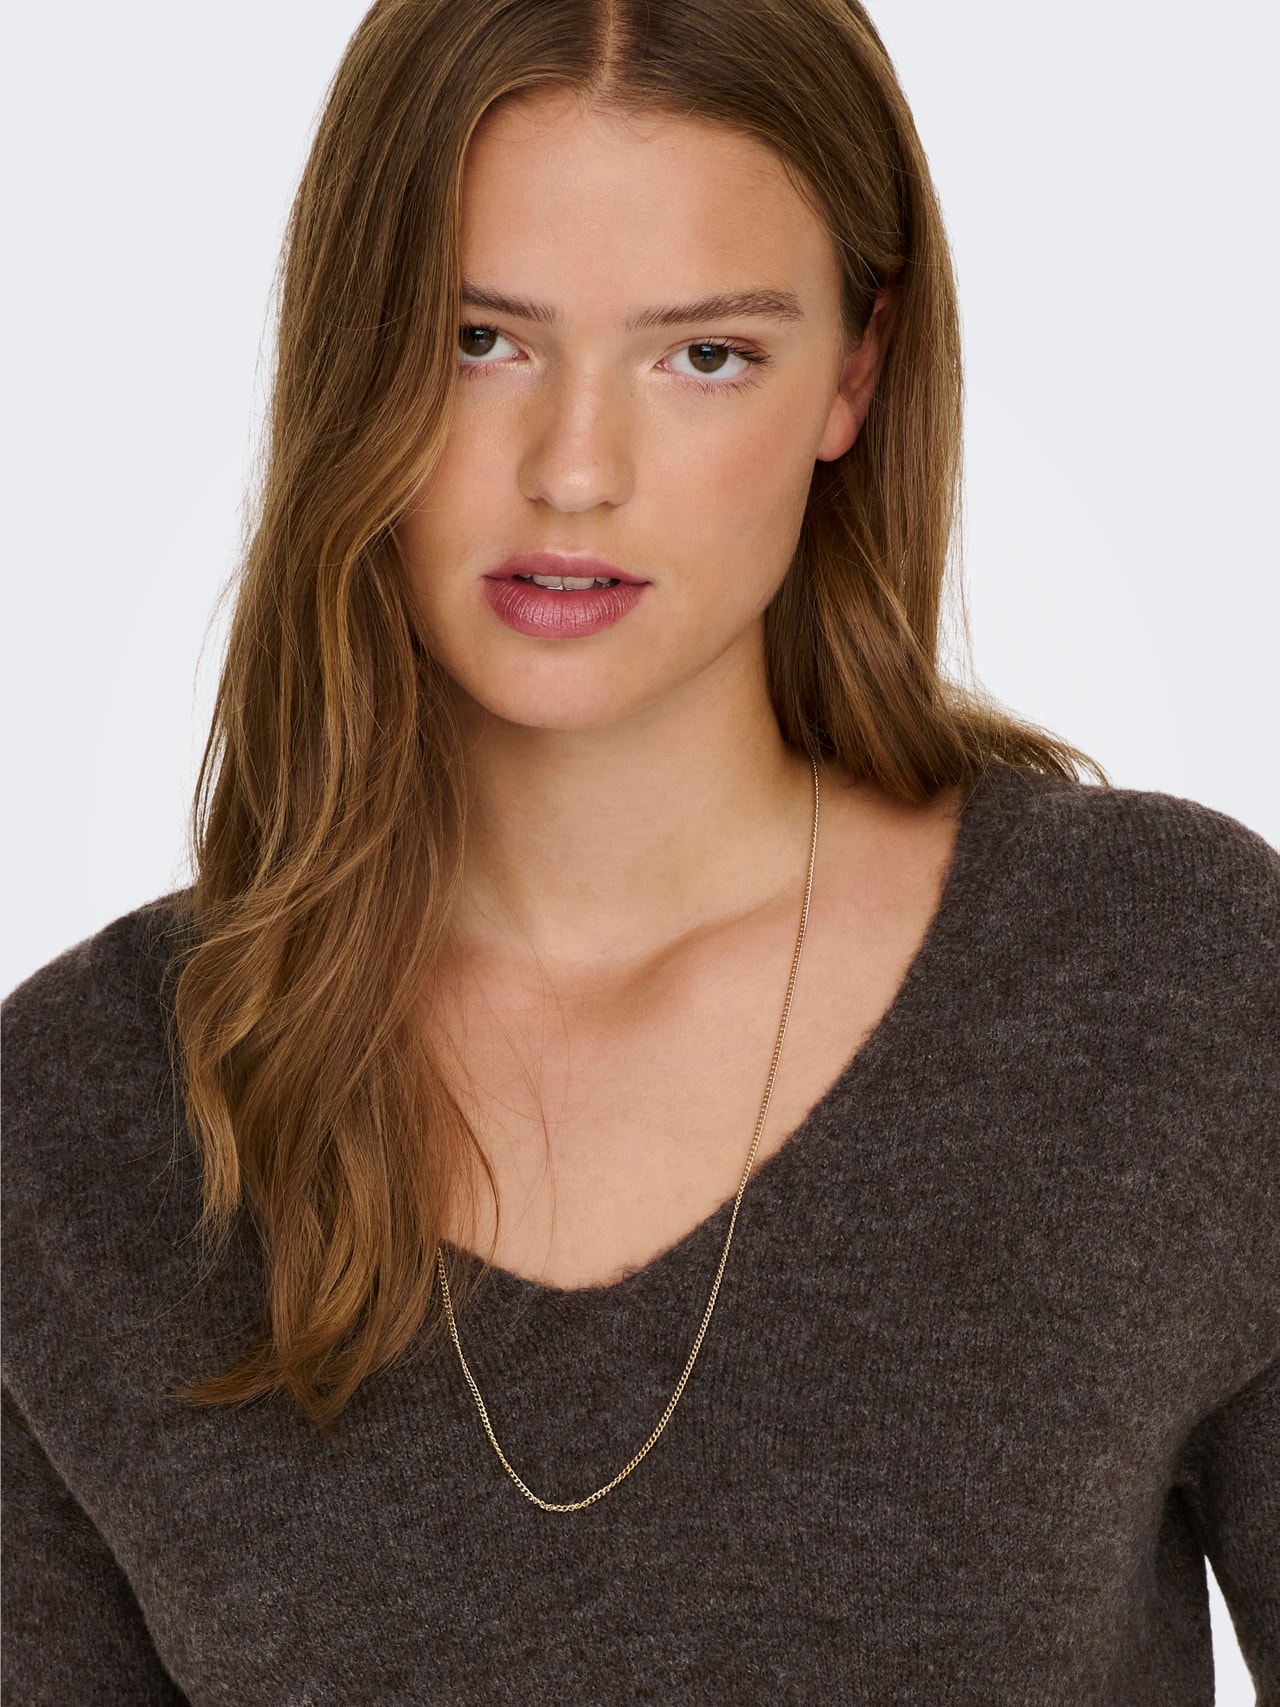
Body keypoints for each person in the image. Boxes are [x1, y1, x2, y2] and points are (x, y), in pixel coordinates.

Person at [3, 0, 1276, 1700]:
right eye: (479, 339)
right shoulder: (75, 1127)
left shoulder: (1167, 993)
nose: (575, 472)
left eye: (705, 356)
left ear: (856, 372)